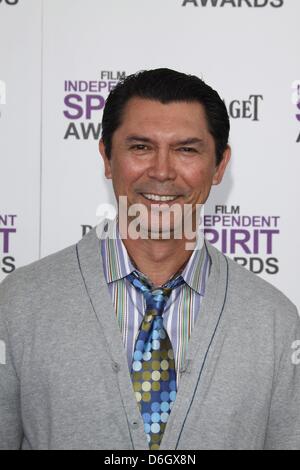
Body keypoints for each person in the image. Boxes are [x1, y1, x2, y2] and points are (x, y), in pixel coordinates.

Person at [0, 68, 299, 451]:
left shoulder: (273, 319)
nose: (161, 171)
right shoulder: (20, 303)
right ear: (107, 158)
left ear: (220, 166)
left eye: (186, 150)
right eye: (140, 147)